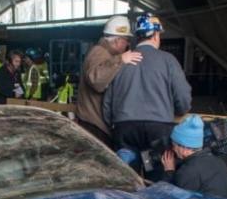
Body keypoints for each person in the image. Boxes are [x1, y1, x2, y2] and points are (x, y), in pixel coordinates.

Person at [102, 13, 192, 178]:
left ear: (137, 37)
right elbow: (183, 99)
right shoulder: (168, 60)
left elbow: (107, 103)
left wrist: (113, 124)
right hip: (158, 130)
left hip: (125, 128)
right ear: (157, 35)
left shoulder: (122, 61)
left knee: (127, 180)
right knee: (158, 181)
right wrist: (179, 110)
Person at [76, 15, 142, 147]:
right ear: (117, 40)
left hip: (94, 123)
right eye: (126, 40)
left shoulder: (105, 53)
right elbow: (95, 79)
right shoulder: (100, 52)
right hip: (94, 124)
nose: (128, 44)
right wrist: (120, 60)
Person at [161, 115, 227, 199]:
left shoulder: (187, 172)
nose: (173, 149)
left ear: (184, 148)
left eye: (174, 145)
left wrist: (169, 172)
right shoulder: (219, 161)